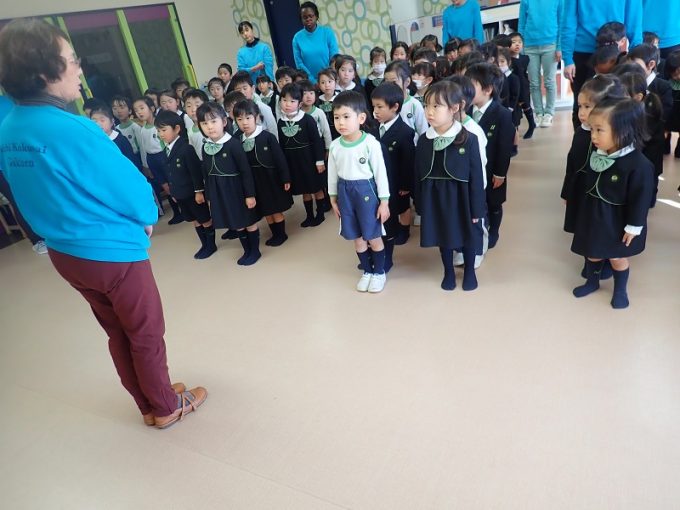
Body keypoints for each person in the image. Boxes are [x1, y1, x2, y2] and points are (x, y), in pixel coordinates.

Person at [0, 18, 206, 428]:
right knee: (146, 331)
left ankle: (148, 403)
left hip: (66, 254)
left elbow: (26, 195)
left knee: (118, 331)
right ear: (44, 73)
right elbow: (125, 186)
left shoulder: (9, 130)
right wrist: (147, 216)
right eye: (70, 59)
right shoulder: (73, 128)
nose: (79, 68)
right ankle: (166, 406)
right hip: (111, 252)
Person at [570, 98, 653, 309]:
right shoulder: (597, 154)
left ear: (624, 131)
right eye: (592, 129)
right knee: (592, 252)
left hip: (617, 222)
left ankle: (620, 290)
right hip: (593, 216)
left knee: (617, 258)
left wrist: (633, 227)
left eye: (599, 130)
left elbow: (640, 200)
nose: (593, 136)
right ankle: (592, 282)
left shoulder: (639, 165)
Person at [414, 81, 485, 291]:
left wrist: (477, 209)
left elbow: (477, 176)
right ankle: (448, 271)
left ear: (454, 108)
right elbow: (418, 174)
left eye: (436, 106)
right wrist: (420, 204)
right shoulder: (424, 140)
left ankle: (470, 270)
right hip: (434, 197)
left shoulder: (469, 139)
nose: (429, 111)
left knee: (468, 235)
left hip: (462, 197)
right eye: (427, 106)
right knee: (442, 234)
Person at [328, 91, 390, 293]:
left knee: (372, 235)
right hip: (345, 193)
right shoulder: (335, 146)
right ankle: (367, 271)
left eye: (346, 116)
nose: (341, 122)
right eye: (337, 117)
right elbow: (332, 175)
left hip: (366, 193)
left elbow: (381, 174)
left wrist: (384, 202)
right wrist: (333, 198)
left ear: (361, 118)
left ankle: (379, 272)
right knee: (357, 237)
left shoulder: (370, 143)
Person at [561, 0, 643, 128]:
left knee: (614, 106)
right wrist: (568, 58)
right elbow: (568, 20)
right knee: (582, 105)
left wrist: (636, 55)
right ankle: (581, 140)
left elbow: (634, 20)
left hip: (613, 55)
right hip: (583, 53)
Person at [197, 101, 261, 265]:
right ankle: (246, 250)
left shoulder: (233, 144)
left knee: (248, 221)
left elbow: (246, 171)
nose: (210, 127)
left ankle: (255, 251)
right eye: (204, 123)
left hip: (237, 190)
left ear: (224, 122)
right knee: (236, 222)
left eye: (213, 121)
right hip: (220, 192)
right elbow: (206, 174)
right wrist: (209, 196)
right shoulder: (206, 147)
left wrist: (250, 195)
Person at [154, 110, 216, 259]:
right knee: (193, 219)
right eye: (158, 131)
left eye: (164, 130)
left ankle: (211, 245)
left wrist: (199, 191)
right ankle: (204, 244)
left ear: (176, 129)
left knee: (204, 219)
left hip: (193, 193)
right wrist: (173, 192)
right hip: (180, 193)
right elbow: (170, 174)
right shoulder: (167, 149)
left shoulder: (186, 148)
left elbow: (195, 173)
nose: (161, 134)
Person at [466, 63, 515, 249]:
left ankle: (494, 230)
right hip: (472, 168)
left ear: (488, 90)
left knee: (493, 203)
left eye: (471, 85)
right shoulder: (466, 111)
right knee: (476, 201)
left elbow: (504, 147)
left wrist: (500, 173)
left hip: (493, 169)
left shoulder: (502, 114)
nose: (466, 90)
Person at [233, 100, 293, 246]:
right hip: (254, 181)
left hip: (270, 179)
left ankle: (281, 234)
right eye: (239, 119)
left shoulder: (267, 137)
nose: (244, 123)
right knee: (266, 209)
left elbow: (280, 159)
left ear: (257, 117)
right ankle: (274, 234)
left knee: (275, 208)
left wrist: (285, 178)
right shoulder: (237, 139)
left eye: (248, 118)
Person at [370, 83, 415, 273]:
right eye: (374, 106)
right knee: (374, 219)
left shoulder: (405, 132)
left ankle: (387, 257)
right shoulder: (373, 127)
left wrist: (405, 185)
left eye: (380, 107)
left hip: (395, 185)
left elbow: (408, 162)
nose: (375, 111)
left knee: (390, 220)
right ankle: (374, 253)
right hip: (375, 185)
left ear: (395, 107)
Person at [277, 83, 326, 227]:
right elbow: (282, 145)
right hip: (293, 162)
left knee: (316, 188)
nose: (287, 104)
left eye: (292, 101)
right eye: (284, 100)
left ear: (299, 104)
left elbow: (317, 141)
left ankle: (320, 214)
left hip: (309, 160)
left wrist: (319, 161)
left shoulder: (307, 119)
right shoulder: (281, 122)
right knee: (304, 190)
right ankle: (309, 216)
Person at [133, 96, 183, 224]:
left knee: (172, 183)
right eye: (136, 110)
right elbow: (143, 148)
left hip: (163, 156)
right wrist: (145, 165)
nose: (139, 112)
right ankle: (176, 212)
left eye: (142, 108)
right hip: (152, 159)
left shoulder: (160, 126)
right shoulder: (142, 129)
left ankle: (183, 209)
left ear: (152, 108)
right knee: (164, 185)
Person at [619, 71, 665, 206]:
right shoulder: (635, 107)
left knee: (648, 186)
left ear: (638, 97)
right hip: (644, 156)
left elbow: (641, 140)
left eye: (623, 96)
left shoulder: (647, 114)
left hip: (649, 157)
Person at [518, 0, 563, 129]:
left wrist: (559, 47)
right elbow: (521, 24)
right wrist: (521, 47)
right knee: (534, 83)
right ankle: (538, 113)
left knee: (549, 81)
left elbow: (561, 23)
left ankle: (549, 113)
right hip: (529, 47)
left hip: (550, 45)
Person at [292, 1, 339, 85]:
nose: (308, 19)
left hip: (330, 80)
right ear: (301, 19)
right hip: (309, 82)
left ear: (316, 16)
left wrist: (326, 79)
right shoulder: (297, 38)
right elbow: (299, 63)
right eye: (304, 17)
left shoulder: (327, 32)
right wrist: (313, 81)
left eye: (311, 16)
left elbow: (334, 57)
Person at [90, 105, 143, 172]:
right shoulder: (94, 142)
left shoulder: (121, 140)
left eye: (102, 120)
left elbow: (131, 160)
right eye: (94, 121)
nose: (98, 124)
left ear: (112, 122)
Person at [230, 71, 279, 139]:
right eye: (238, 90)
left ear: (252, 89)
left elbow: (273, 130)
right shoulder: (236, 110)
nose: (242, 92)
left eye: (245, 88)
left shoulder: (262, 108)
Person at [181, 88, 209, 159]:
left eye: (197, 105)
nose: (193, 110)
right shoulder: (190, 130)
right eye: (189, 106)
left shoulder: (211, 126)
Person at [663, 50, 680, 157]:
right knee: (665, 131)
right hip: (669, 112)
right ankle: (665, 147)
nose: (678, 76)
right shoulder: (666, 83)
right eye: (675, 74)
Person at [316, 68, 340, 140]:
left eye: (330, 81)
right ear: (319, 85)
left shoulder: (340, 98)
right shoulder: (317, 100)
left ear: (336, 82)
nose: (327, 85)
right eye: (323, 82)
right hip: (323, 134)